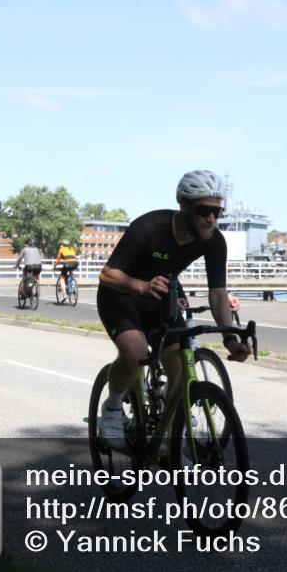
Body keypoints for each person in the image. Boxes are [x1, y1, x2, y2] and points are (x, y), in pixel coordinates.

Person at [96, 170, 250, 449]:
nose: (211, 219)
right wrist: (140, 286)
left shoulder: (214, 240)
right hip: (120, 294)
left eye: (218, 212)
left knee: (179, 362)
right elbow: (107, 274)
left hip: (159, 298)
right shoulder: (150, 226)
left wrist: (230, 338)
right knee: (135, 351)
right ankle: (112, 408)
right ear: (184, 204)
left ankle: (170, 435)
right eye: (204, 210)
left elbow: (218, 292)